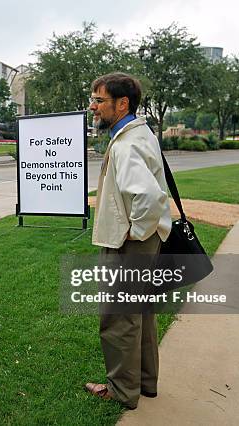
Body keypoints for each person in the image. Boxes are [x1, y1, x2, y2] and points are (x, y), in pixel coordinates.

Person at [85, 73, 171, 409]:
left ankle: (122, 390)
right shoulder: (138, 134)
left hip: (131, 243)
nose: (93, 107)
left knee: (119, 317)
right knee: (141, 313)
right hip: (143, 241)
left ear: (123, 104)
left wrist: (133, 232)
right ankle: (145, 383)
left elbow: (149, 197)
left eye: (99, 100)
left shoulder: (128, 144)